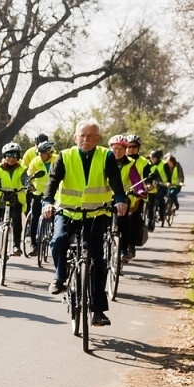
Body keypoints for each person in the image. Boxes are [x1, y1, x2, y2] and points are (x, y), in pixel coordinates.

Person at [43, 120, 128, 328]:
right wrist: (47, 202)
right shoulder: (65, 156)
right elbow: (52, 183)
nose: (86, 139)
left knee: (98, 261)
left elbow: (116, 182)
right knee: (59, 240)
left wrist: (120, 199)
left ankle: (98, 311)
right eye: (82, 135)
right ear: (75, 137)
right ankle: (60, 277)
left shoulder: (105, 156)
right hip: (68, 212)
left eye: (91, 136)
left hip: (95, 214)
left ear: (98, 139)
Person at [0, 143, 27, 259]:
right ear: (4, 156)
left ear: (18, 157)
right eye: (8, 155)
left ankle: (16, 246)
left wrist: (29, 185)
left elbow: (25, 179)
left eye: (14, 156)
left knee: (17, 219)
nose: (11, 158)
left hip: (15, 200)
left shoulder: (22, 169)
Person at [24, 139, 55, 253]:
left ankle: (53, 238)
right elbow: (28, 176)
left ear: (49, 153)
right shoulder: (35, 162)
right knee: (34, 217)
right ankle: (33, 244)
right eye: (39, 153)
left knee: (56, 217)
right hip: (38, 192)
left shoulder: (57, 160)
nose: (41, 155)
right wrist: (29, 184)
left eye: (43, 153)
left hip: (54, 193)